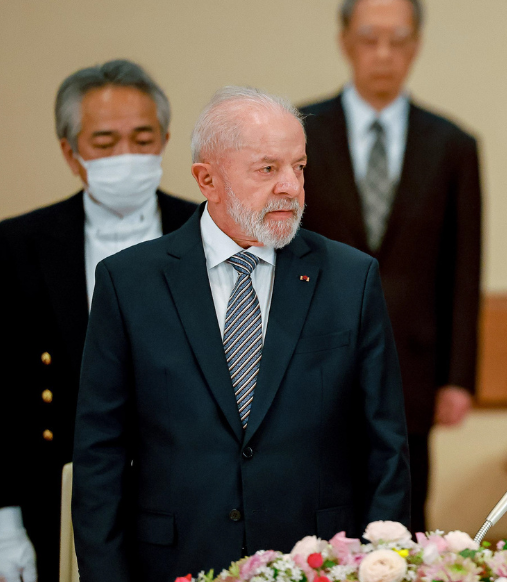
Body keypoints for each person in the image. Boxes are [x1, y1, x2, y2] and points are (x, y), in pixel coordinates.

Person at [71, 86, 411, 582]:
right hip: (174, 561)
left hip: (318, 563)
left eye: (299, 167)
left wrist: (386, 567)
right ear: (207, 179)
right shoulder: (130, 283)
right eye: (267, 169)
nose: (291, 187)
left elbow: (386, 449)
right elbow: (100, 453)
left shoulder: (350, 278)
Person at [0, 59, 198, 582]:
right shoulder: (22, 244)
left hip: (190, 502)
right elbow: (2, 396)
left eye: (143, 137)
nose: (127, 155)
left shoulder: (208, 230)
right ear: (70, 152)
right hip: (58, 496)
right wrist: (7, 529)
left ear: (166, 140)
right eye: (104, 142)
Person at [299, 0, 481, 532]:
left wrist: (459, 376)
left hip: (413, 366)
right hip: (314, 355)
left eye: (397, 40)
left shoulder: (452, 144)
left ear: (416, 45)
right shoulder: (300, 133)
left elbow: (464, 266)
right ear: (345, 42)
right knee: (317, 505)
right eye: (369, 39)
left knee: (404, 510)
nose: (383, 54)